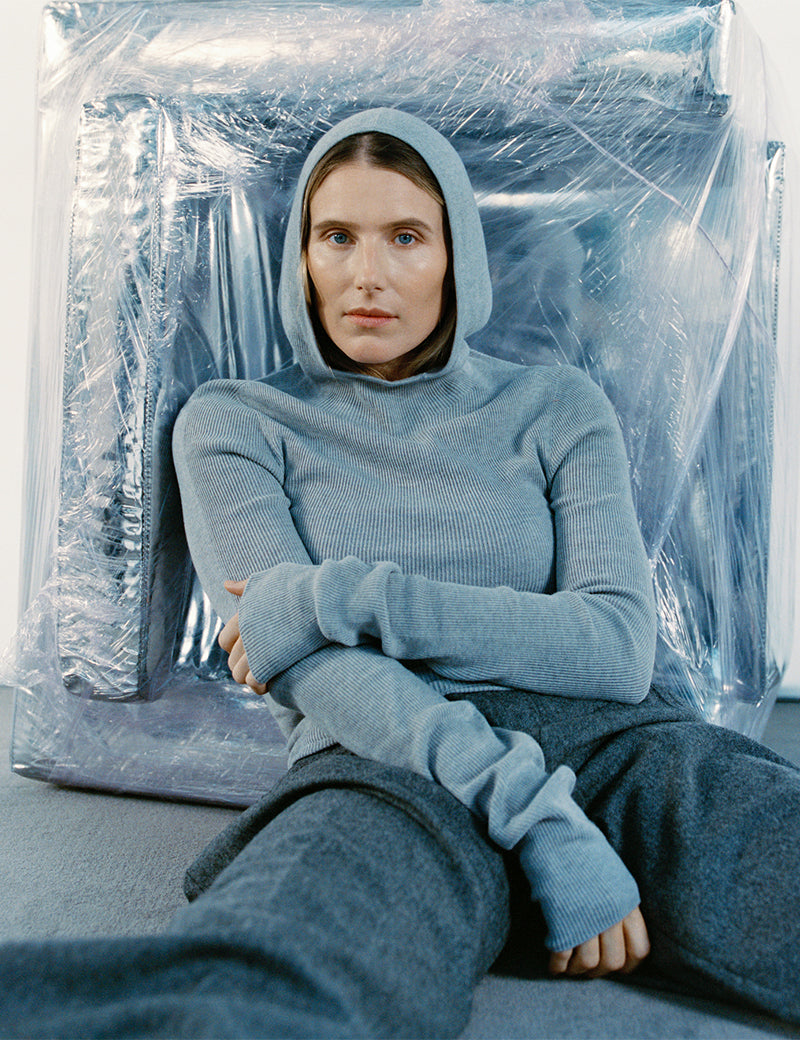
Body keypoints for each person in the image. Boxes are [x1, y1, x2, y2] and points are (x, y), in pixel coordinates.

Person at [1, 106, 799, 1039]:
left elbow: (617, 649)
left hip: (624, 747)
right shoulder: (235, 421)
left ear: (457, 258)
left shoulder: (557, 404)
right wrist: (533, 813)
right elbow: (310, 666)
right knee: (268, 985)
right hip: (384, 759)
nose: (367, 275)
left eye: (407, 237)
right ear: (302, 257)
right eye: (336, 237)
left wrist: (338, 596)